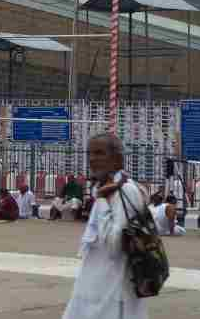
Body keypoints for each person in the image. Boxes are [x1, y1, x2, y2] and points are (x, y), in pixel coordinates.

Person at [61, 133, 148, 319]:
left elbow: (114, 245)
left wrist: (101, 201)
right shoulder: (104, 188)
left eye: (100, 153)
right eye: (90, 154)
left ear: (117, 158)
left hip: (114, 293)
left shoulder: (126, 191)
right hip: (94, 287)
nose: (93, 159)